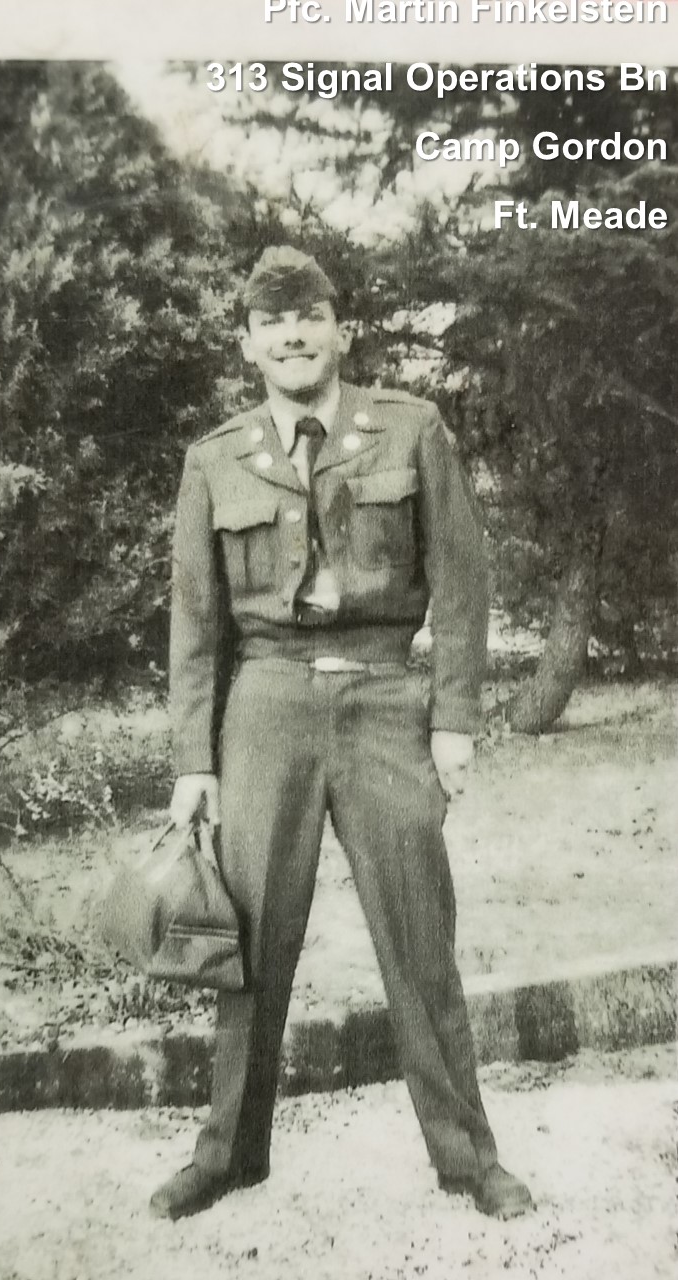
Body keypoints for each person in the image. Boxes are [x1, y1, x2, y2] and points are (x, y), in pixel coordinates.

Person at [150, 246, 533, 1222]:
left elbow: (462, 580)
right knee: (249, 940)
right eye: (271, 322)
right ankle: (229, 1154)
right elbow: (196, 624)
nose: (292, 335)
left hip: (383, 696)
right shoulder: (213, 458)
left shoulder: (409, 427)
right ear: (247, 343)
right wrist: (194, 761)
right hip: (265, 705)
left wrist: (452, 719)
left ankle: (468, 1158)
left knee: (419, 936)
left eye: (309, 317)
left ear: (340, 331)